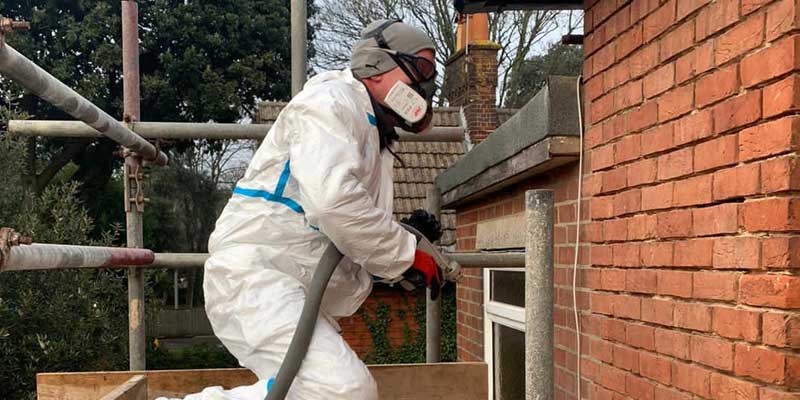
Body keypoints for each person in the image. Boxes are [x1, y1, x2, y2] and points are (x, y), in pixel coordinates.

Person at [166, 20, 443, 400]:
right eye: (422, 70)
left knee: (307, 393)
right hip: (257, 277)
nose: (426, 86)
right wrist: (404, 253)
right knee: (344, 392)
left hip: (287, 284)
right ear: (376, 64)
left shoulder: (368, 130)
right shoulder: (330, 104)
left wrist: (402, 235)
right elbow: (334, 204)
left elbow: (343, 222)